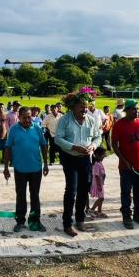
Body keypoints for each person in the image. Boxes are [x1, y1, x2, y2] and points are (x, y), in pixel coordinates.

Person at [55, 88, 101, 237]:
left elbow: (97, 137)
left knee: (83, 190)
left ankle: (80, 219)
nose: (85, 109)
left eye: (86, 106)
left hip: (86, 159)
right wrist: (74, 147)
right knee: (71, 190)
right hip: (70, 158)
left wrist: (93, 146)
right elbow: (58, 139)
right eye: (82, 106)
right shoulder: (64, 120)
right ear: (73, 106)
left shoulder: (91, 120)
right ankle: (67, 223)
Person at [3, 107, 49, 232]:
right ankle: (20, 221)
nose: (28, 120)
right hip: (20, 169)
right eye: (24, 117)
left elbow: (43, 146)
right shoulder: (13, 130)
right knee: (21, 196)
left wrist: (45, 164)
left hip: (36, 169)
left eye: (29, 117)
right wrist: (6, 167)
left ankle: (35, 221)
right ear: (19, 117)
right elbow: (7, 148)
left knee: (35, 196)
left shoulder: (37, 128)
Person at [111, 99, 139, 229]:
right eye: (133, 109)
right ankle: (126, 215)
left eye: (138, 109)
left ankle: (138, 214)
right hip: (126, 166)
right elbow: (114, 145)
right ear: (126, 110)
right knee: (126, 191)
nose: (136, 111)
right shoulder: (119, 125)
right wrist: (124, 160)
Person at [88, 146, 107, 218]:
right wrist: (99, 185)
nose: (103, 157)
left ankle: (99, 211)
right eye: (102, 155)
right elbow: (96, 176)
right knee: (101, 198)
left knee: (101, 198)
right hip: (97, 184)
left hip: (100, 184)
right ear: (97, 155)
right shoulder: (96, 164)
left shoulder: (99, 163)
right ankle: (92, 210)